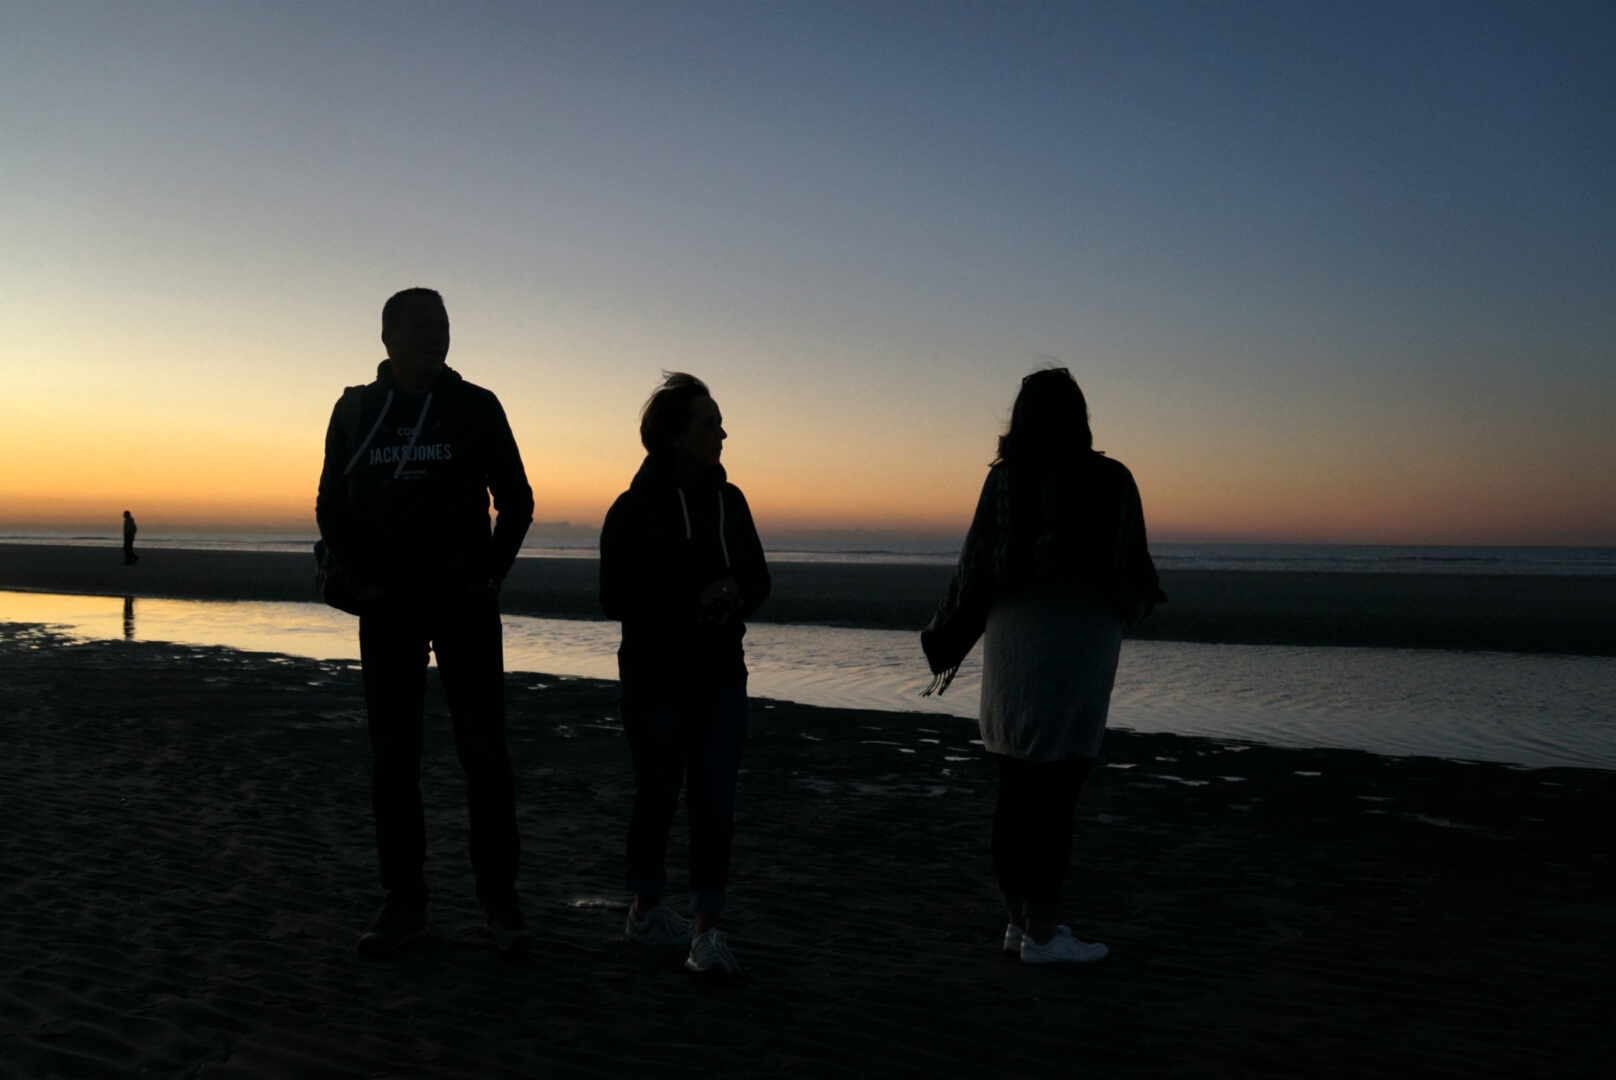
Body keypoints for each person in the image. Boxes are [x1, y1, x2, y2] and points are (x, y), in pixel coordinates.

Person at [315, 287, 535, 955]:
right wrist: (362, 581)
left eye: (443, 325)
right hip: (389, 613)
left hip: (465, 609)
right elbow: (328, 506)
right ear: (387, 338)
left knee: (485, 757)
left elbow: (518, 502)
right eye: (421, 327)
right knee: (394, 762)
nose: (435, 337)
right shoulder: (356, 410)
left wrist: (488, 575)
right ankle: (404, 902)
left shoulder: (476, 407)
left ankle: (500, 903)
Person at [921, 366, 1165, 966]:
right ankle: (1044, 932)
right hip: (1078, 641)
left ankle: (1017, 922)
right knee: (1057, 794)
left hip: (1014, 646)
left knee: (1016, 790)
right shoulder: (1108, 479)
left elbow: (975, 563)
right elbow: (1128, 569)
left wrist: (949, 628)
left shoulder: (1003, 483)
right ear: (1079, 416)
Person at [599, 372, 770, 975]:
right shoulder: (632, 509)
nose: (722, 433)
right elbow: (614, 596)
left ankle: (706, 931)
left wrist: (734, 597)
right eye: (709, 423)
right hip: (654, 680)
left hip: (722, 676)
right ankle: (646, 912)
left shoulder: (732, 501)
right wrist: (691, 599)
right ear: (676, 436)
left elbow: (759, 579)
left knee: (715, 802)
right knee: (658, 793)